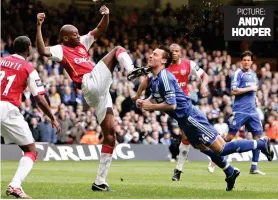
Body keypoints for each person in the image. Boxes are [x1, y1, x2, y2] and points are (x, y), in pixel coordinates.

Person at [135, 45, 274, 191]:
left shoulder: (165, 76)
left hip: (191, 117)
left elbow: (172, 105)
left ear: (164, 60)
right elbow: (155, 97)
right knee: (202, 147)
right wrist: (143, 101)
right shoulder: (156, 78)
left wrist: (150, 106)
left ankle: (260, 143)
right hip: (184, 121)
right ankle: (230, 172)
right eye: (151, 53)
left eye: (155, 54)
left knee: (222, 148)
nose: (150, 56)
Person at [36, 6, 135, 191]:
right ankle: (132, 71)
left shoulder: (82, 42)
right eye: (74, 34)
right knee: (118, 50)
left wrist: (106, 15)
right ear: (66, 37)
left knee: (110, 135)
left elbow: (100, 29)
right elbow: (42, 50)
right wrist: (39, 25)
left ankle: (99, 181)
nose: (78, 35)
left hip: (99, 93)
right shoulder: (61, 49)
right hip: (89, 83)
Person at [131, 43, 210, 181]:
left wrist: (203, 85)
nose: (174, 53)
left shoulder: (189, 64)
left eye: (176, 51)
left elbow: (205, 76)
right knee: (187, 137)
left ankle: (179, 169)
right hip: (166, 105)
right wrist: (138, 96)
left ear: (181, 53)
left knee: (188, 137)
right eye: (172, 51)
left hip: (183, 106)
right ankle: (217, 157)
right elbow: (145, 82)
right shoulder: (163, 69)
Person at [0, 36, 60, 198]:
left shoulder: (1, 60)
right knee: (31, 151)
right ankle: (15, 185)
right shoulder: (28, 68)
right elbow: (39, 98)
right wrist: (52, 118)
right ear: (28, 49)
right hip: (8, 108)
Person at [226, 51, 266, 175]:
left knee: (258, 137)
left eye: (249, 60)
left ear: (251, 62)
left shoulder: (253, 74)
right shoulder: (237, 73)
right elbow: (233, 91)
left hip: (253, 111)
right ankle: (214, 157)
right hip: (240, 110)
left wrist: (256, 98)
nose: (247, 62)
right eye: (245, 60)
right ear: (241, 61)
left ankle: (254, 167)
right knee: (229, 137)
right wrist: (250, 89)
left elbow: (253, 91)